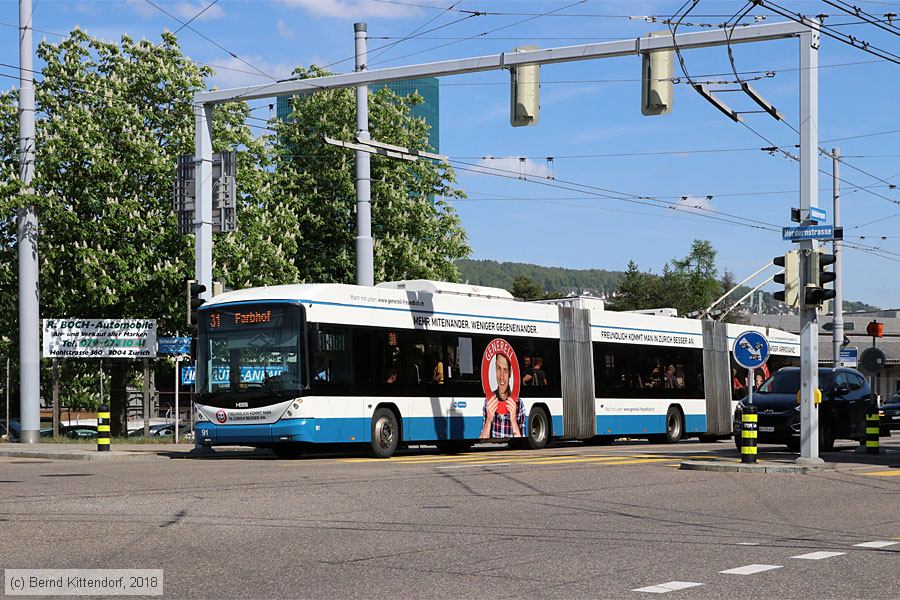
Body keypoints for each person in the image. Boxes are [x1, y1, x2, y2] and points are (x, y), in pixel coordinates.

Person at [480, 352, 525, 439]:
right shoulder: (489, 401)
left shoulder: (518, 403)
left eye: (505, 370)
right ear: (495, 370)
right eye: (499, 369)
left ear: (510, 373)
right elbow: (482, 440)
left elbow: (521, 440)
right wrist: (489, 420)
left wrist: (513, 420)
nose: (501, 376)